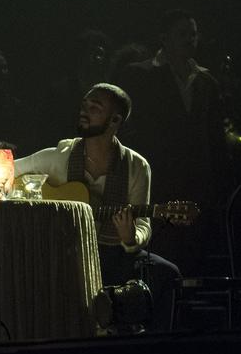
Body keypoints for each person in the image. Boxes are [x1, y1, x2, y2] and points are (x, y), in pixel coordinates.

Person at [14, 83, 180, 332]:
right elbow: (7, 172)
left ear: (114, 121)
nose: (85, 110)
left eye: (95, 107)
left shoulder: (136, 166)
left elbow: (143, 223)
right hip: (67, 253)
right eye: (85, 104)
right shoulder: (59, 156)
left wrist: (131, 237)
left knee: (168, 273)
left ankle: (154, 353)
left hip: (115, 252)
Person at [119, 9, 230, 276]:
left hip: (197, 181)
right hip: (158, 177)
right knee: (160, 249)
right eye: (183, 34)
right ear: (164, 38)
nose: (190, 40)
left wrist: (218, 180)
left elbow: (214, 135)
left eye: (193, 34)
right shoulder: (140, 76)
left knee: (194, 252)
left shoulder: (206, 81)